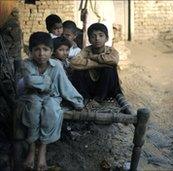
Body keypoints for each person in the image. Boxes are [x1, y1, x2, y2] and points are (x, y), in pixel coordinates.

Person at [19, 32, 84, 170]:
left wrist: (77, 101)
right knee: (33, 109)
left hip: (51, 97)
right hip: (31, 97)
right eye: (36, 49)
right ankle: (31, 150)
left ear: (51, 51)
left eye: (45, 49)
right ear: (30, 52)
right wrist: (46, 83)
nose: (41, 54)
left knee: (51, 111)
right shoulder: (26, 64)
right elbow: (29, 81)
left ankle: (42, 150)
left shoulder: (56, 66)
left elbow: (65, 86)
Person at [70, 23, 122, 101]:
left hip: (106, 89)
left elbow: (114, 60)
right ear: (90, 40)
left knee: (110, 69)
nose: (97, 39)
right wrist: (99, 65)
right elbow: (73, 63)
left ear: (106, 38)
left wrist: (94, 57)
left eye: (101, 35)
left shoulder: (111, 51)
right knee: (78, 71)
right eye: (93, 36)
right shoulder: (86, 50)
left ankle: (100, 98)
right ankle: (85, 97)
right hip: (90, 87)